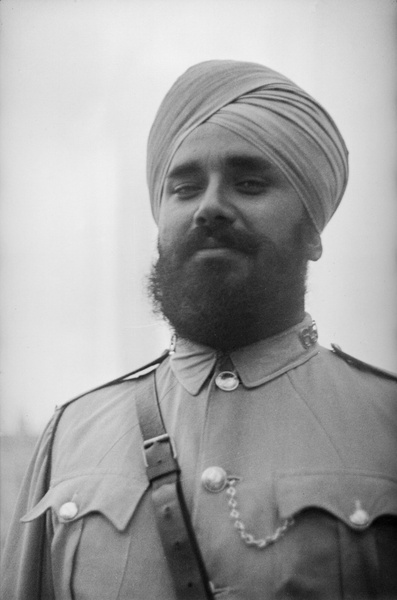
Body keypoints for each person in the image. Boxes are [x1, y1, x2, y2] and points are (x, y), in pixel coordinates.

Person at [2, 60, 397, 600]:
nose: (210, 206)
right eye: (185, 188)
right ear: (160, 222)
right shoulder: (71, 435)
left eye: (250, 183)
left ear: (313, 232)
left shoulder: (385, 423)